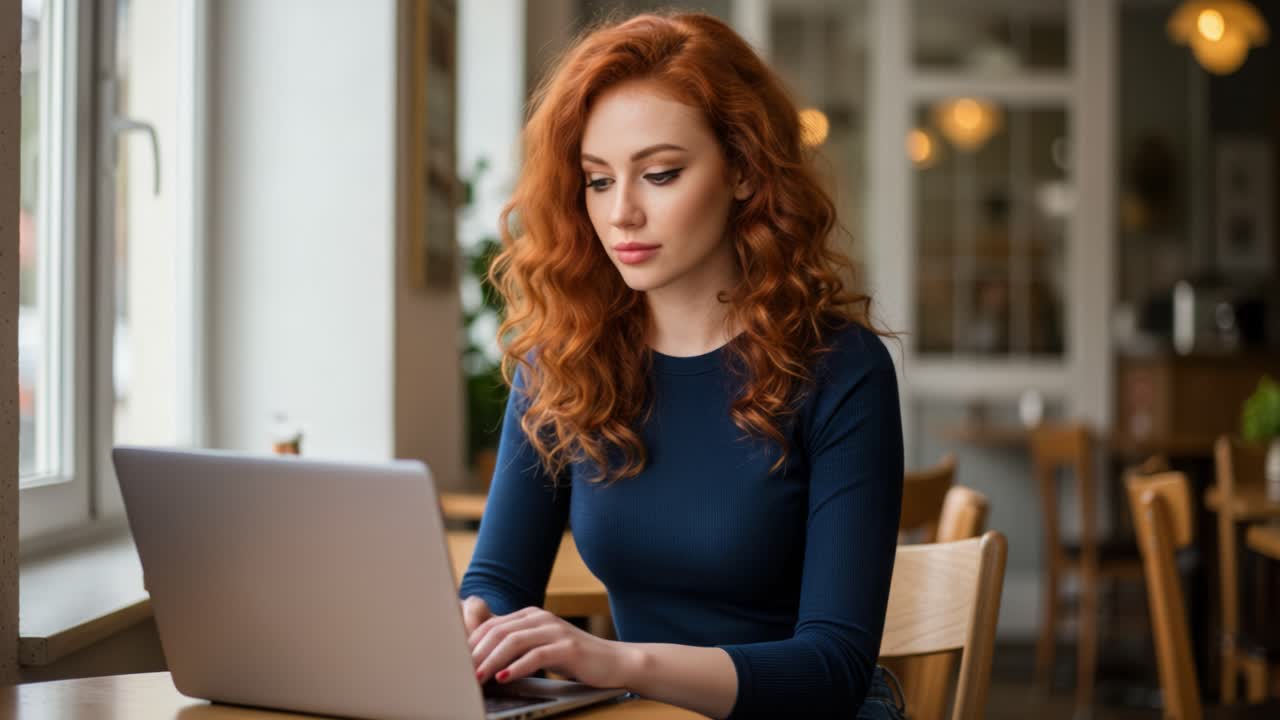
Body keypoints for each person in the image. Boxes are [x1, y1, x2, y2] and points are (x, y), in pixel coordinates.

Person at [459, 11, 904, 719]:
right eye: (598, 181)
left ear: (745, 174)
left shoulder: (842, 370)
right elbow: (498, 583)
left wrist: (613, 662)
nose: (621, 214)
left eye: (660, 174)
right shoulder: (566, 361)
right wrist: (475, 631)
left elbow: (833, 667)